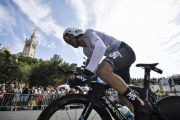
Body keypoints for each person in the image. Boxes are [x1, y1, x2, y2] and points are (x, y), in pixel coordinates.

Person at [63, 27, 152, 120]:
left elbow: (101, 47)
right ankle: (137, 116)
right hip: (118, 61)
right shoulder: (86, 51)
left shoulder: (88, 33)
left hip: (125, 50)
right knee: (122, 94)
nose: (68, 42)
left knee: (103, 70)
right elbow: (94, 67)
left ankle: (140, 104)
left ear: (76, 33)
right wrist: (81, 76)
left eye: (68, 38)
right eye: (66, 42)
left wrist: (86, 73)